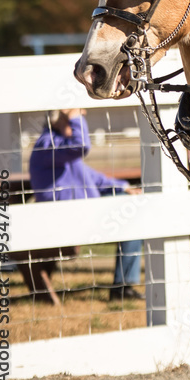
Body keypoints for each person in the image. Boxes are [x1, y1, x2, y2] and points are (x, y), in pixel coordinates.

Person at [29, 108, 144, 301]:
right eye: (74, 120)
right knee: (131, 218)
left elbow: (93, 179)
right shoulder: (47, 145)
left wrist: (123, 188)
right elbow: (82, 145)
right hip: (67, 219)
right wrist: (73, 114)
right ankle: (122, 287)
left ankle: (123, 287)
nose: (79, 122)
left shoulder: (61, 150)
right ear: (57, 121)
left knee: (132, 213)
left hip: (83, 212)